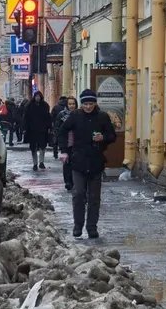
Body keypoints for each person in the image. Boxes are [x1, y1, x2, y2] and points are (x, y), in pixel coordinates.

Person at [58, 89, 117, 239]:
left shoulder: (102, 117)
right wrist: (64, 150)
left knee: (94, 197)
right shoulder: (75, 116)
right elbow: (62, 131)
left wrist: (102, 137)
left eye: (90, 103)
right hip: (78, 161)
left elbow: (112, 136)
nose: (88, 107)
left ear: (95, 103)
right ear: (81, 104)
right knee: (78, 194)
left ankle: (92, 227)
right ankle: (78, 226)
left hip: (96, 162)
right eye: (85, 104)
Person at [22, 91, 52, 170]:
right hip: (32, 130)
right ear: (34, 97)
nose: (37, 98)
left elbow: (48, 117)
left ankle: (41, 162)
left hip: (42, 130)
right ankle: (35, 163)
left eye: (39, 96)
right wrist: (25, 128)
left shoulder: (45, 105)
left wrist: (49, 127)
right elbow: (26, 118)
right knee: (33, 147)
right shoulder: (29, 106)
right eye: (36, 96)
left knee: (42, 146)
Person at [55, 96, 78, 190]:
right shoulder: (61, 115)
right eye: (70, 104)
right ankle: (68, 182)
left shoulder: (79, 114)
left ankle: (75, 181)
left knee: (76, 163)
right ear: (67, 105)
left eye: (73, 104)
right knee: (67, 163)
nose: (72, 106)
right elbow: (57, 129)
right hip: (66, 142)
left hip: (77, 143)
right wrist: (60, 143)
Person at [50, 96, 69, 160]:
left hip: (57, 125)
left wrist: (53, 125)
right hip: (65, 127)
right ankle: (63, 152)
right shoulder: (67, 107)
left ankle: (55, 154)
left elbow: (52, 116)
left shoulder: (56, 107)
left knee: (55, 141)